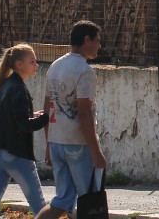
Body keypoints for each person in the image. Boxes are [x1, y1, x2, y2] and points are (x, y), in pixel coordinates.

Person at [35, 20, 106, 219]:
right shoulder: (85, 71)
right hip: (78, 144)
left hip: (57, 142)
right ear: (86, 40)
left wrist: (49, 144)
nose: (99, 46)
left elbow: (48, 108)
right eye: (97, 41)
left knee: (62, 201)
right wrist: (96, 151)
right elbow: (84, 113)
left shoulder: (55, 66)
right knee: (89, 201)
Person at [0, 44, 49, 219]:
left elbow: (13, 117)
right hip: (18, 157)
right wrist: (46, 118)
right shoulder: (19, 89)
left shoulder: (6, 85)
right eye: (32, 61)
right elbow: (24, 124)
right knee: (40, 209)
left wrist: (33, 115)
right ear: (19, 65)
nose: (36, 65)